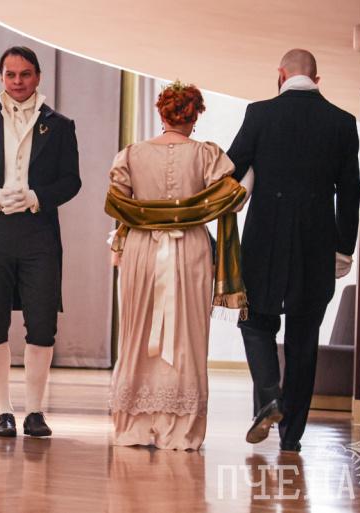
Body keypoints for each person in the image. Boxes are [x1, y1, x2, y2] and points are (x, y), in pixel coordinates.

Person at [227, 49, 360, 452]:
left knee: (255, 322)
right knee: (304, 337)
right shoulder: (342, 122)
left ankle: (269, 397)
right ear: (317, 80)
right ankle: (292, 437)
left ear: (281, 74)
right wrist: (344, 248)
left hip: (264, 239)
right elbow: (350, 192)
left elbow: (231, 171)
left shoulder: (259, 114)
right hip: (316, 243)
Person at [105, 81, 247, 450]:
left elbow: (119, 205)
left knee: (136, 332)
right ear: (195, 116)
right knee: (188, 335)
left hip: (142, 249)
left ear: (161, 114)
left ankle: (134, 425)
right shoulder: (206, 156)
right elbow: (231, 201)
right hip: (189, 248)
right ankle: (181, 430)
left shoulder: (132, 155)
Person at [0, 46, 81, 438]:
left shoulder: (60, 126)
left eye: (25, 74)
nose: (17, 81)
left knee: (42, 323)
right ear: (1, 77)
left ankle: (36, 411)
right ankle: (2, 411)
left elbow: (72, 181)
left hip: (39, 233)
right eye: (10, 74)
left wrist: (36, 197)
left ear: (38, 76)